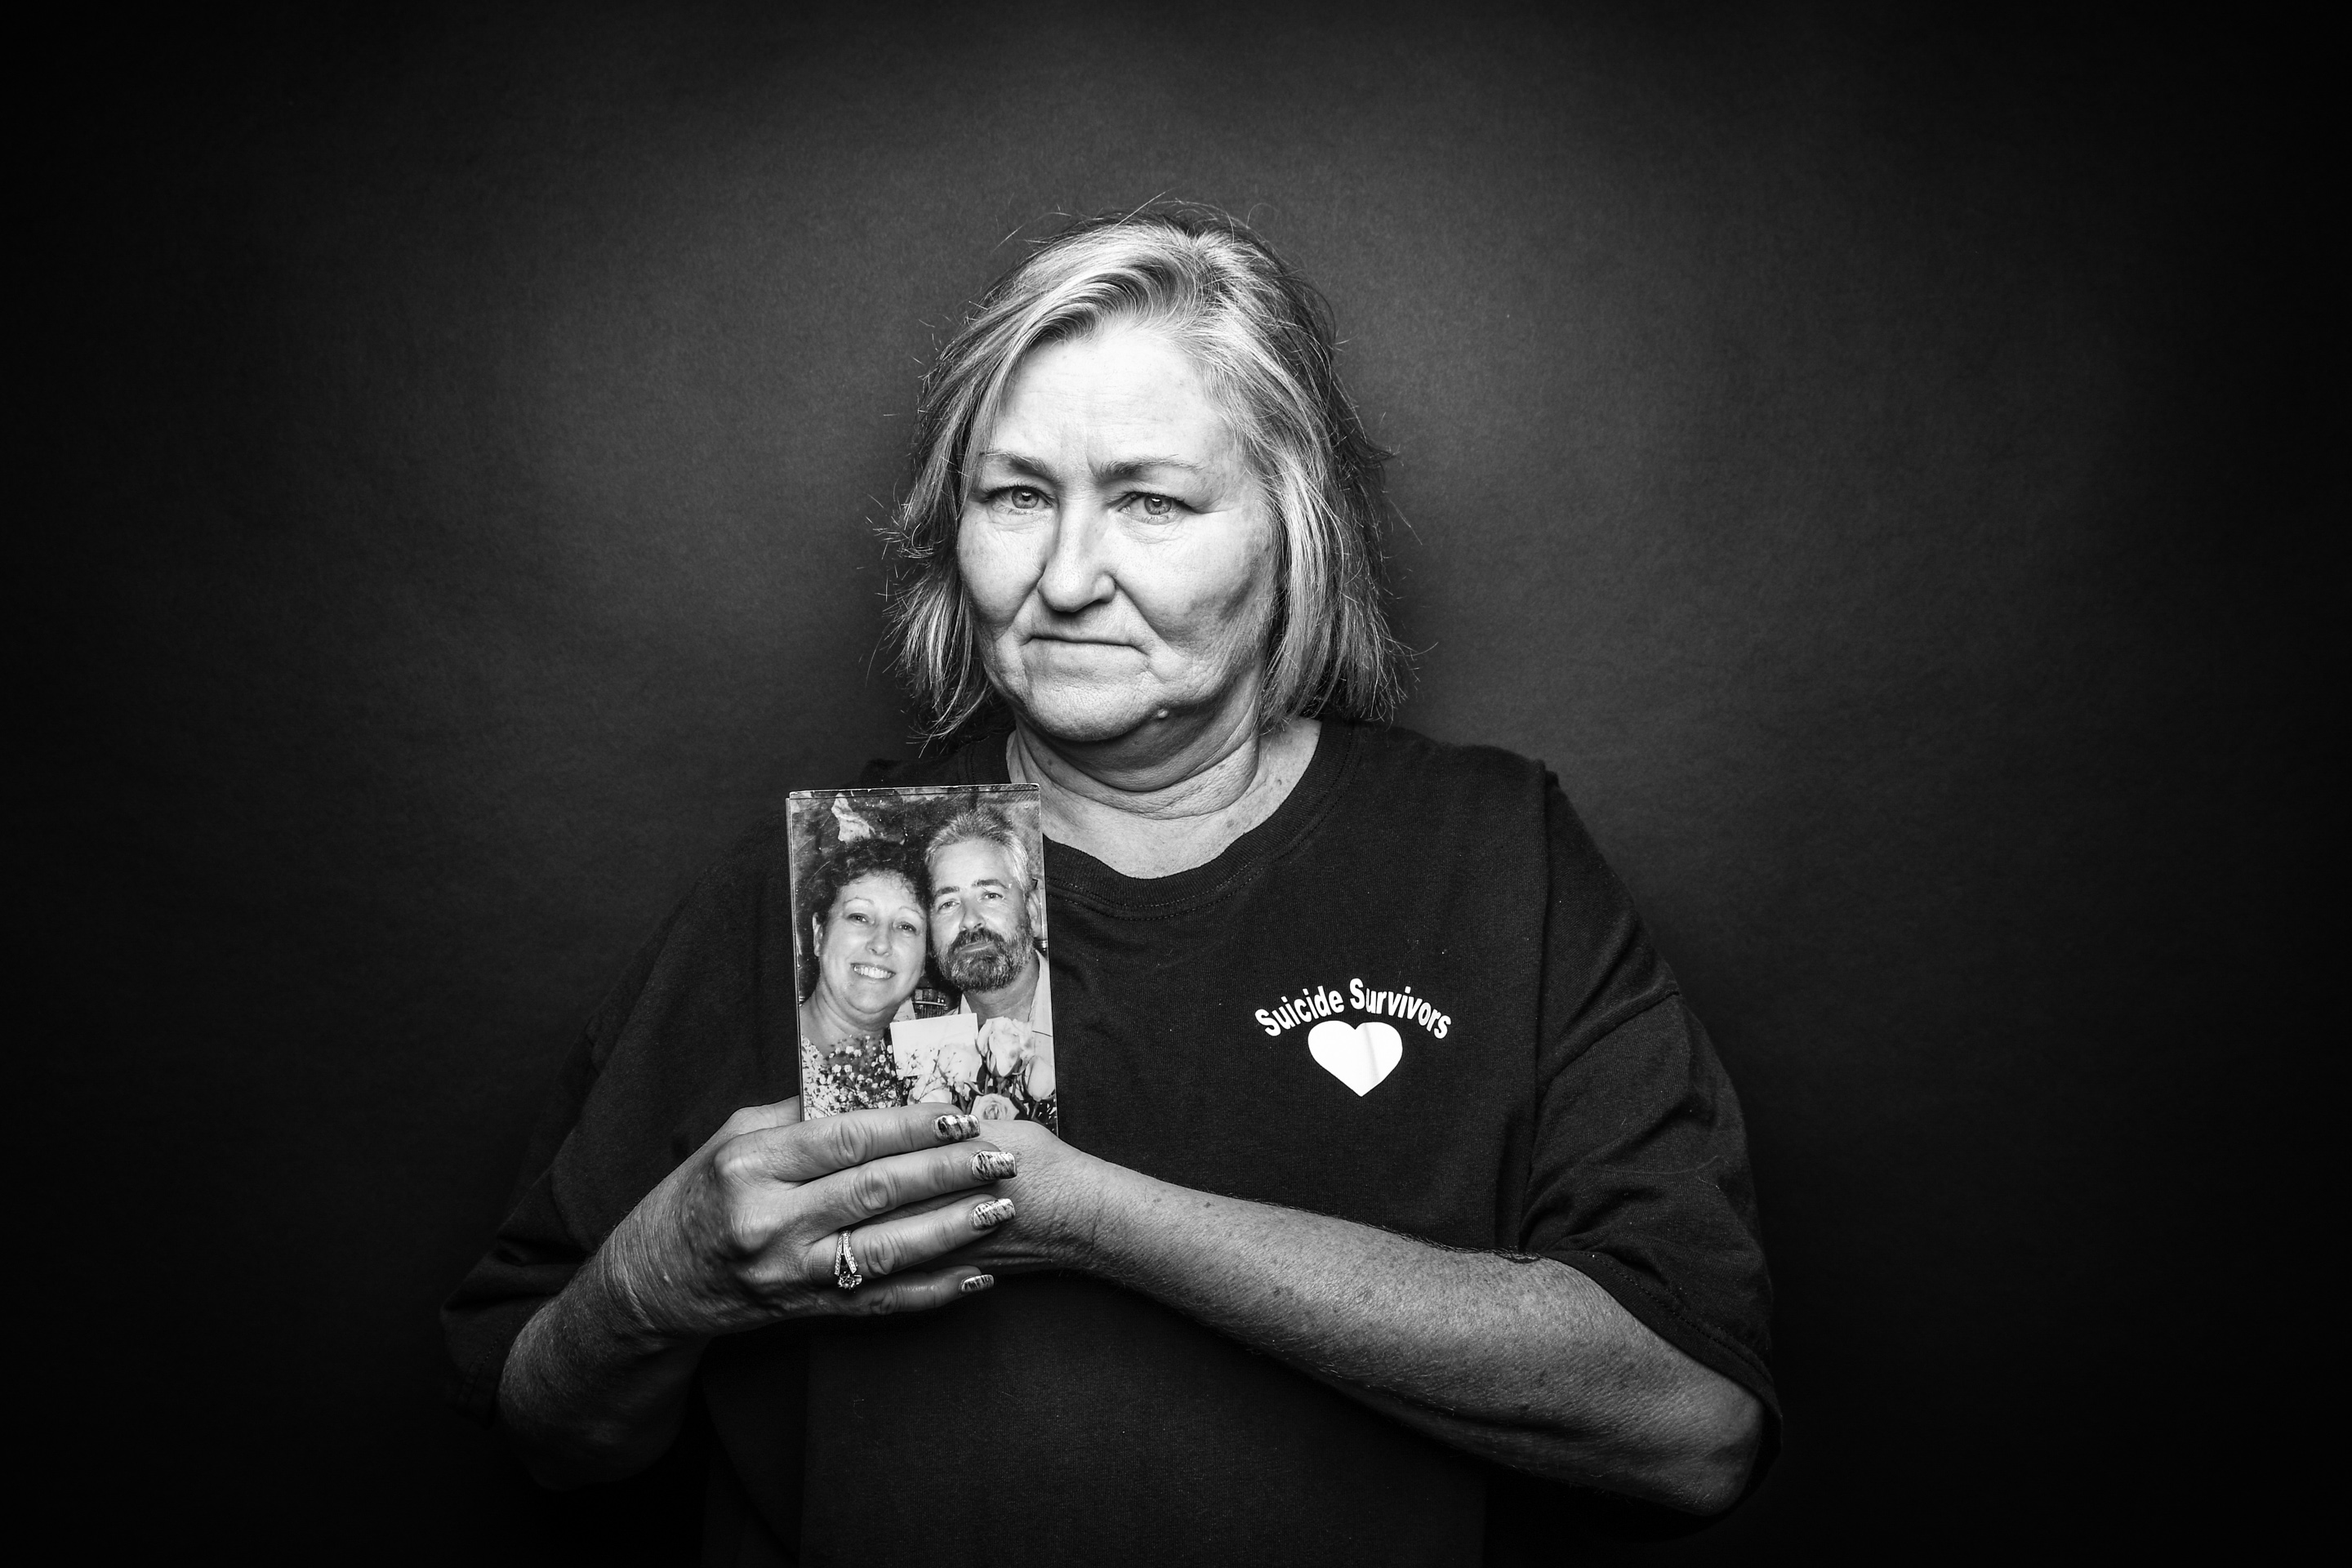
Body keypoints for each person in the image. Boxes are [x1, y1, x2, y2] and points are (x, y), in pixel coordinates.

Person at [445, 205, 1776, 1566]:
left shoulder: (1494, 856)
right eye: (1016, 496)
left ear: (1290, 527)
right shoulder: (828, 881)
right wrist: (658, 1276)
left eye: (1151, 499)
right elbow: (541, 1428)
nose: (1067, 577)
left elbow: (1691, 1423)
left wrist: (1088, 1215)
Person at [923, 806, 1056, 1124]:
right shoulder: (925, 1065)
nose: (970, 919)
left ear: (1034, 913)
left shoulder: (1097, 1012)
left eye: (990, 895)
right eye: (948, 903)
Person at [792, 837, 932, 1117]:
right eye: (859, 917)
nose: (881, 944)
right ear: (820, 935)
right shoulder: (763, 1055)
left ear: (926, 956)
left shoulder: (927, 1073)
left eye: (906, 926)